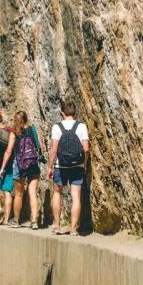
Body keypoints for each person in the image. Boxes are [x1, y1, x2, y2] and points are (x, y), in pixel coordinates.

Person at [49, 100, 89, 235]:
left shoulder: (56, 127)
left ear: (62, 113)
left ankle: (57, 226)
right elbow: (86, 149)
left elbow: (54, 150)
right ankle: (73, 229)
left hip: (60, 166)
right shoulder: (82, 126)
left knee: (57, 193)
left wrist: (50, 166)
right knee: (76, 196)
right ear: (75, 113)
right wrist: (84, 163)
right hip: (77, 165)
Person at [9, 110, 42, 229]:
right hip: (33, 163)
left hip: (20, 164)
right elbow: (39, 146)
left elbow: (9, 151)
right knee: (32, 192)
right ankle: (34, 221)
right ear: (26, 118)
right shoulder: (32, 130)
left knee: (19, 194)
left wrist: (3, 167)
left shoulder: (14, 133)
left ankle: (16, 221)